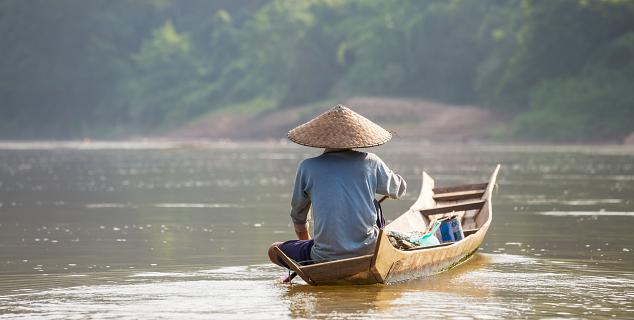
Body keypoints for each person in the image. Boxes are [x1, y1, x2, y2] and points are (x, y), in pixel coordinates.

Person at [267, 104, 406, 269]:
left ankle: (314, 257)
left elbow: (298, 216)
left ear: (320, 139)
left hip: (323, 257)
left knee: (274, 250)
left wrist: (308, 246)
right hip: (370, 251)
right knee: (374, 205)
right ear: (356, 137)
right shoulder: (371, 161)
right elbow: (398, 190)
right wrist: (394, 177)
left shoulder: (307, 167)